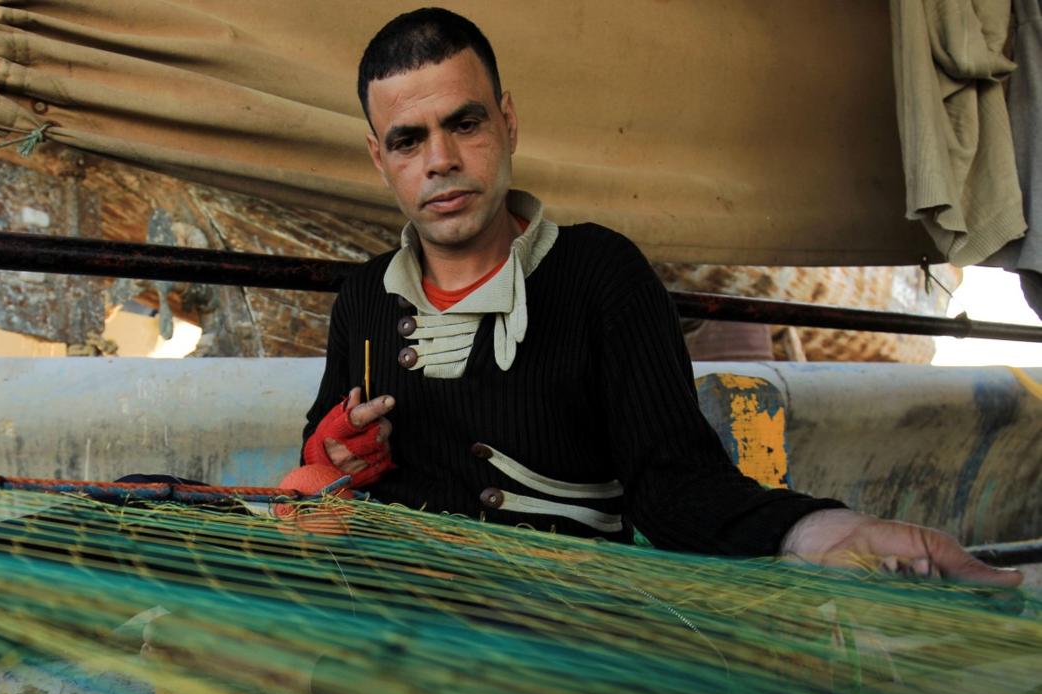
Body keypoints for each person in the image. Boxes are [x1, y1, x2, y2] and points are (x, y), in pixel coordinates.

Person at [299, 7, 1020, 586]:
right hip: (400, 626)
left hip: (569, 632)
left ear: (508, 121)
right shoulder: (364, 298)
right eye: (407, 140)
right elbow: (321, 455)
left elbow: (673, 484)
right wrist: (333, 455)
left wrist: (825, 531)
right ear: (378, 158)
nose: (441, 162)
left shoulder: (601, 274)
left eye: (465, 123)